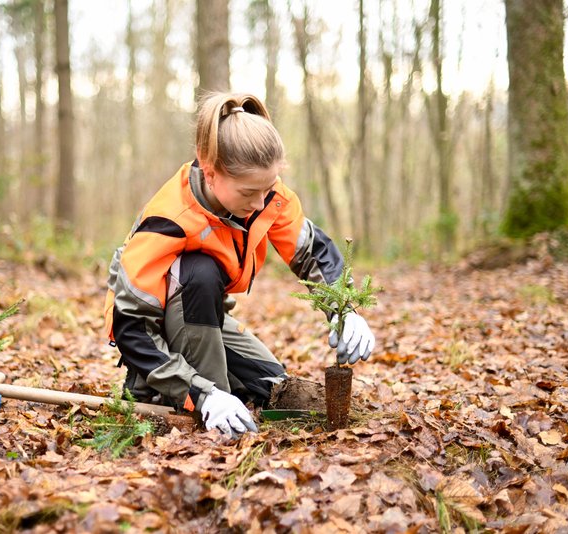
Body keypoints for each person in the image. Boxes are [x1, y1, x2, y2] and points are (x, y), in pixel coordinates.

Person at [103, 92, 375, 438]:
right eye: (249, 193)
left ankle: (212, 388)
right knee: (198, 271)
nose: (261, 202)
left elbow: (311, 251)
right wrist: (206, 395)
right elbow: (132, 329)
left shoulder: (265, 195)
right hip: (153, 329)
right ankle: (168, 388)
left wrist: (344, 310)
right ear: (212, 173)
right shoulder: (169, 219)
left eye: (268, 187)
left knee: (272, 387)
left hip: (205, 318)